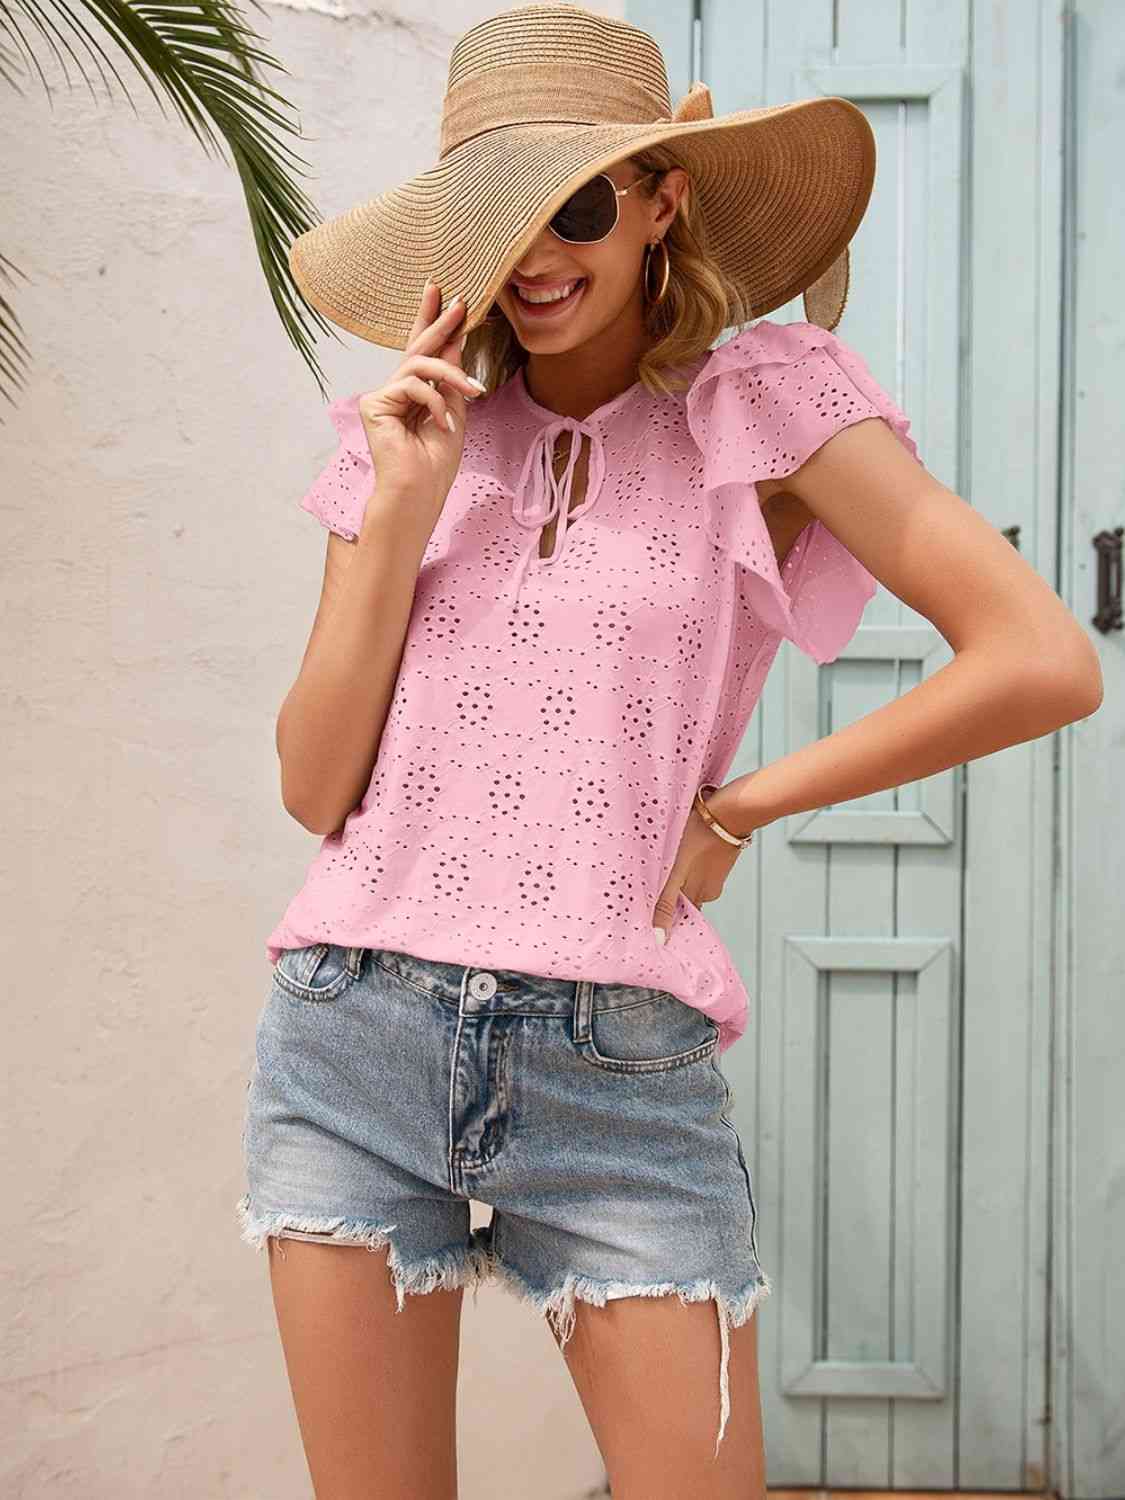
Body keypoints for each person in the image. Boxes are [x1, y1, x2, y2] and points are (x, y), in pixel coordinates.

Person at [236, 5, 1103, 1497]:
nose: (536, 255)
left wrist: (742, 806)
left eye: (577, 207)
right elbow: (314, 787)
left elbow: (1041, 657)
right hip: (351, 1034)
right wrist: (400, 505)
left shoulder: (759, 402)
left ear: (662, 202)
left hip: (615, 1060)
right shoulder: (412, 437)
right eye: (499, 216)